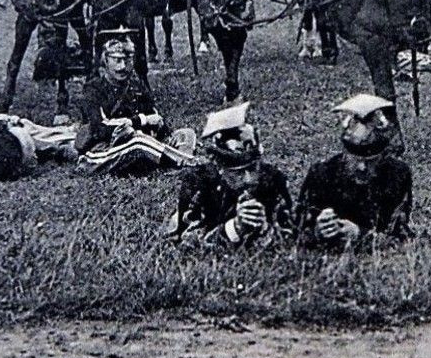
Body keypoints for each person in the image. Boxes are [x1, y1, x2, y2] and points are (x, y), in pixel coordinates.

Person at [297, 94, 413, 249]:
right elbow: (295, 230)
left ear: (382, 156)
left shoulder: (397, 175)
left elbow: (400, 238)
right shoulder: (322, 174)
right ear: (344, 153)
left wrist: (360, 234)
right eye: (355, 160)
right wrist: (318, 231)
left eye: (370, 161)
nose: (362, 167)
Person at [169, 103, 294, 247]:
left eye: (253, 168)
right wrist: (234, 228)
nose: (248, 178)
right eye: (238, 172)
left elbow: (291, 233)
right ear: (220, 168)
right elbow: (187, 240)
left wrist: (265, 229)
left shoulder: (272, 179)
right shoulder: (202, 182)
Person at [76, 29, 196, 172]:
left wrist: (160, 127)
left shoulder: (136, 85)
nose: (122, 67)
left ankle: (171, 160)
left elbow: (154, 116)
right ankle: (186, 162)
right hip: (103, 151)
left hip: (142, 142)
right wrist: (141, 121)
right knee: (139, 143)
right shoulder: (93, 89)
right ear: (106, 61)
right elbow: (99, 130)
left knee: (187, 133)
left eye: (127, 61)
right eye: (117, 60)